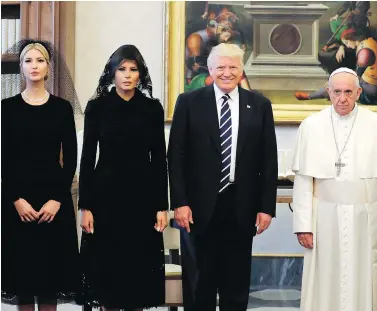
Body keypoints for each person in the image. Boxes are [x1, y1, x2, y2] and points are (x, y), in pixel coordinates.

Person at [168, 43, 278, 311]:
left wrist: (266, 208)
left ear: (242, 70)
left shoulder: (260, 104)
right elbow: (176, 157)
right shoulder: (189, 102)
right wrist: (180, 203)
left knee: (236, 285)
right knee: (199, 284)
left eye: (233, 67)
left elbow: (269, 160)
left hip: (241, 208)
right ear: (210, 69)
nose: (227, 72)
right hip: (197, 208)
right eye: (220, 67)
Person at [78, 44, 169, 311]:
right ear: (112, 73)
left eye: (133, 69)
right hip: (105, 198)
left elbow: (160, 159)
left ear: (140, 75)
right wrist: (85, 206)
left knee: (137, 278)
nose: (127, 75)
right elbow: (86, 159)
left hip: (142, 199)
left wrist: (162, 206)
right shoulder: (97, 107)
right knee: (108, 276)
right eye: (122, 69)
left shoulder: (152, 108)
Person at [1, 39, 80, 309]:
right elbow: (3, 160)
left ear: (48, 67)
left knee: (50, 284)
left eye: (40, 60)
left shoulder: (61, 108)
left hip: (53, 202)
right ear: (21, 68)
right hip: (17, 202)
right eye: (28, 61)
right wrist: (15, 199)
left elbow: (70, 159)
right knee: (23, 284)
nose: (34, 66)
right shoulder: (6, 108)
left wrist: (57, 199)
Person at [291, 67, 377, 311]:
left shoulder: (374, 124)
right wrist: (303, 226)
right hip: (323, 220)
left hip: (367, 219)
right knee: (325, 277)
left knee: (364, 274)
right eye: (336, 92)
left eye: (348, 92)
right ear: (328, 92)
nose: (342, 98)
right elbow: (304, 181)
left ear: (359, 92)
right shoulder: (311, 126)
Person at [295, 27, 377, 105]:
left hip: (370, 92)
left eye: (347, 42)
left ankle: (310, 96)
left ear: (352, 38)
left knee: (338, 84)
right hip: (369, 84)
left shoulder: (364, 51)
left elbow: (356, 77)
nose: (347, 46)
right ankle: (313, 95)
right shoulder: (369, 42)